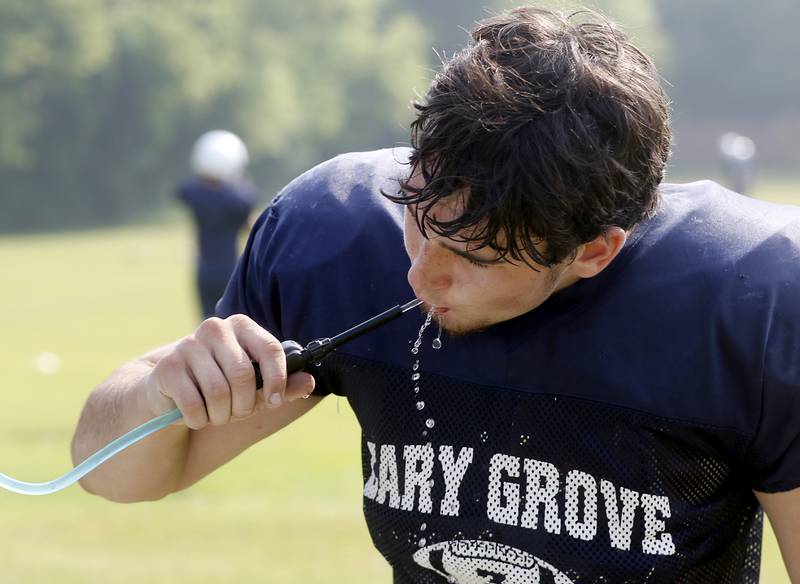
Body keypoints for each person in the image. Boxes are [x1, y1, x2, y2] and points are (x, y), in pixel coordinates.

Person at [71, 7, 800, 582]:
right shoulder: (336, 235)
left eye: (474, 256)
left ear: (594, 251)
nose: (421, 273)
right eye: (417, 217)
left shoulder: (750, 302)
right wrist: (165, 394)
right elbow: (110, 474)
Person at [177, 130, 256, 318]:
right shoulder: (237, 200)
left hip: (203, 270)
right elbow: (247, 215)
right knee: (233, 327)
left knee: (207, 325)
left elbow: (185, 188)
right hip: (229, 271)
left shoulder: (195, 195)